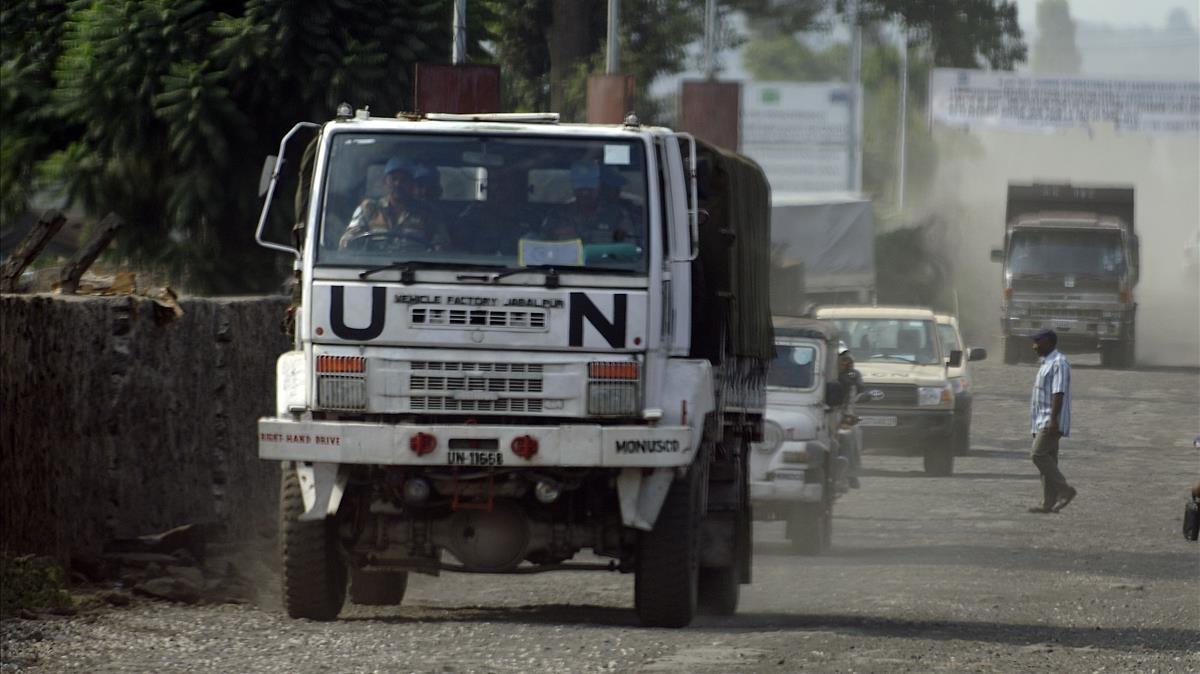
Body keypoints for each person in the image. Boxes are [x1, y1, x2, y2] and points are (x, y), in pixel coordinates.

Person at [339, 157, 446, 250]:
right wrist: (349, 242)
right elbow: (348, 240)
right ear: (385, 182)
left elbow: (441, 246)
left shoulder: (428, 213)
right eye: (393, 179)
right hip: (372, 268)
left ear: (412, 184)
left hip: (415, 270)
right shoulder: (368, 208)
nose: (398, 184)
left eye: (404, 180)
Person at [1027, 328, 1077, 514]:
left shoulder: (1059, 363)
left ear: (1048, 342)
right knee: (1049, 460)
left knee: (1037, 455)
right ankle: (1048, 503)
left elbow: (1058, 392)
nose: (1034, 346)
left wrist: (1053, 420)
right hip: (1042, 420)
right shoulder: (1046, 363)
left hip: (1051, 420)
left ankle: (1065, 490)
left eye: (1037, 342)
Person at [543, 162, 633, 243]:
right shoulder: (558, 215)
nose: (585, 193)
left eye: (590, 187)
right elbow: (543, 245)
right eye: (580, 187)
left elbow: (628, 246)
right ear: (573, 188)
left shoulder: (617, 215)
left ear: (599, 187)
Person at [837, 342, 863, 489]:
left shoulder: (852, 375)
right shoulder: (818, 370)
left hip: (841, 412)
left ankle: (851, 473)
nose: (844, 361)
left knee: (850, 432)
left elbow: (859, 388)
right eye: (841, 358)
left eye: (846, 358)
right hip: (820, 410)